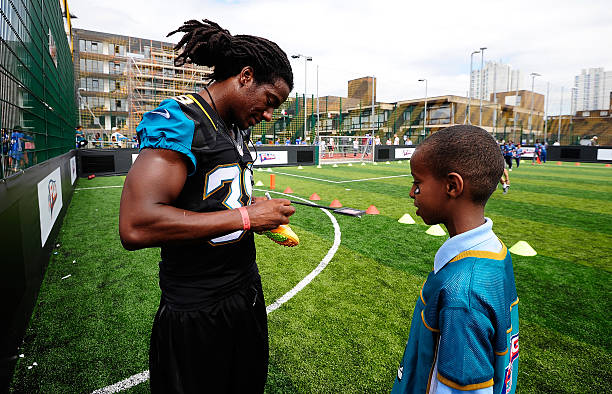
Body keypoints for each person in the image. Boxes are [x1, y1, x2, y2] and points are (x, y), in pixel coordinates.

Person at [119, 19, 296, 393]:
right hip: (197, 306)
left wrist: (249, 209)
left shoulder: (233, 126)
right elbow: (137, 224)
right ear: (245, 76)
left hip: (245, 290)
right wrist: (246, 216)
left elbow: (209, 198)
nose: (268, 116)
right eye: (270, 103)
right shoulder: (182, 120)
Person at [392, 125, 519, 393]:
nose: (412, 192)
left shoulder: (462, 293)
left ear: (452, 186)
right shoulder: (496, 252)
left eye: (418, 183)